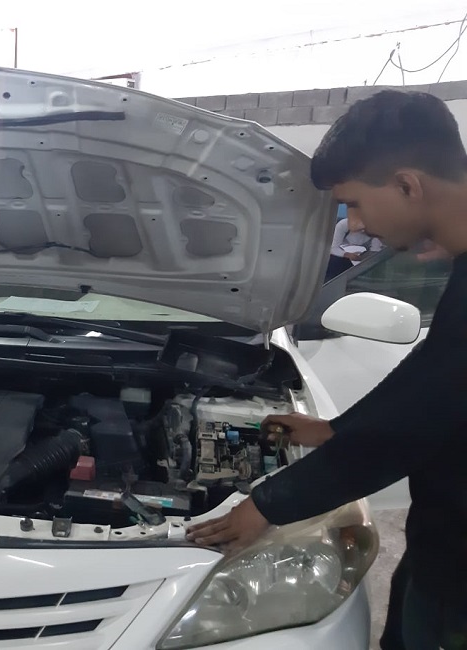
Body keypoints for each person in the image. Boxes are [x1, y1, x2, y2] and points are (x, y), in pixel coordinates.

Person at [186, 90, 467, 650]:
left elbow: (418, 422)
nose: (355, 225)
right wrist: (335, 429)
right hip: (442, 538)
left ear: (408, 185)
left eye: (354, 204)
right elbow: (437, 371)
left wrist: (270, 503)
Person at [325, 213, 384, 281]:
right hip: (341, 257)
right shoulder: (343, 225)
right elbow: (332, 248)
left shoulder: (377, 230)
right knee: (334, 260)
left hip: (360, 260)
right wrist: (347, 254)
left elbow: (375, 251)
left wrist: (363, 257)